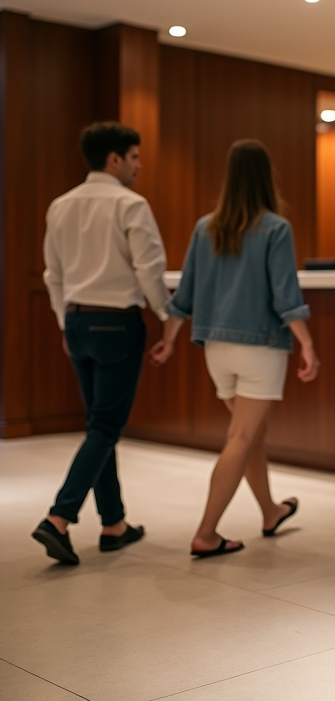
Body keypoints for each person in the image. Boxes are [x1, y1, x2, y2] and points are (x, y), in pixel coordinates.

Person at [149, 139, 319, 557]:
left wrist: (169, 340)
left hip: (215, 351)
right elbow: (285, 295)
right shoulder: (276, 227)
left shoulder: (205, 226)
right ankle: (207, 533)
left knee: (252, 433)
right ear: (266, 177)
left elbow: (184, 295)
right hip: (259, 348)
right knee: (242, 435)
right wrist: (308, 345)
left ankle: (270, 510)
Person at [34, 122, 171, 565]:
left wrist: (62, 324)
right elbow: (150, 269)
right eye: (134, 157)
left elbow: (52, 274)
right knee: (106, 428)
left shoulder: (60, 205)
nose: (139, 165)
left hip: (75, 322)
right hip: (117, 324)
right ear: (114, 159)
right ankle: (59, 517)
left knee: (99, 424)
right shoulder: (131, 205)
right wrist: (170, 318)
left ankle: (113, 523)